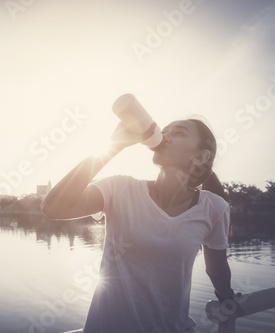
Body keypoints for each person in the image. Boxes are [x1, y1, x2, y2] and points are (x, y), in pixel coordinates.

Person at [41, 117, 236, 332]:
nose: (165, 135)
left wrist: (229, 303)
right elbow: (53, 208)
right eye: (165, 130)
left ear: (201, 156)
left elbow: (216, 269)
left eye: (178, 133)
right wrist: (114, 144)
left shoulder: (215, 208)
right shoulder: (120, 188)